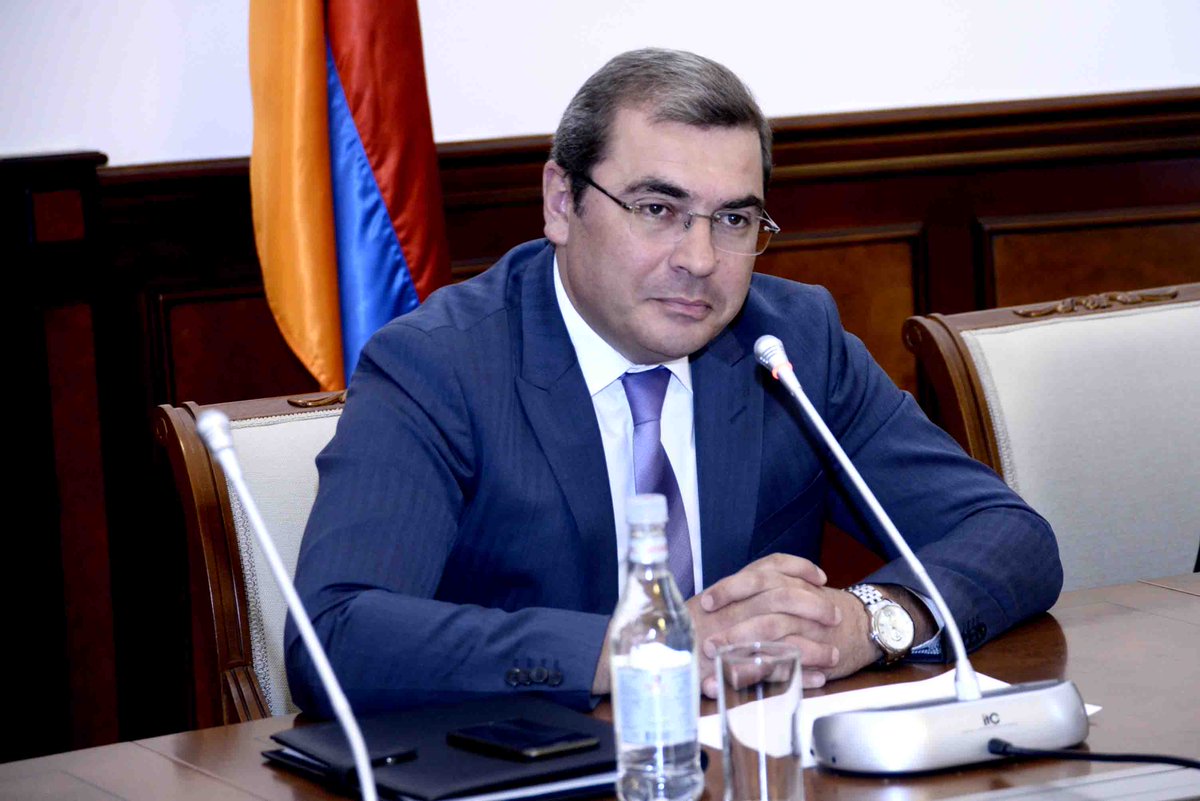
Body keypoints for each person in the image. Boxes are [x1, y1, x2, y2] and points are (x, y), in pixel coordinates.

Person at [287, 48, 1062, 716]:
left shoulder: (789, 343)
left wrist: (869, 620)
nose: (699, 258)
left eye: (734, 220)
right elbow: (335, 634)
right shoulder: (441, 366)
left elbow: (1010, 535)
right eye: (658, 208)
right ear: (561, 203)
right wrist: (641, 646)